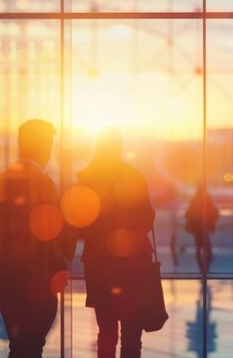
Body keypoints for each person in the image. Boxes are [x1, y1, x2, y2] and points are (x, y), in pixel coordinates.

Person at [0, 119, 74, 358]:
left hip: (6, 279)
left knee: (19, 345)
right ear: (43, 148)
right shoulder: (44, 184)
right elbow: (54, 231)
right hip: (38, 279)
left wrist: (2, 257)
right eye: (49, 145)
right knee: (31, 345)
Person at [78, 127, 156, 358]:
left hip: (99, 263)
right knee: (132, 333)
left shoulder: (87, 179)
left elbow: (80, 224)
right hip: (133, 263)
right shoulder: (134, 177)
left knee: (106, 331)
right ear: (119, 147)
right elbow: (147, 218)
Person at [185, 185, 219, 272]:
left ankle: (202, 268)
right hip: (203, 228)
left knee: (199, 248)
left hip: (196, 228)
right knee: (207, 248)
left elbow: (187, 214)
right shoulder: (206, 198)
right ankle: (205, 268)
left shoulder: (195, 200)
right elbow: (214, 212)